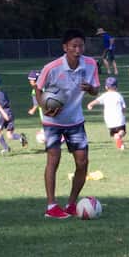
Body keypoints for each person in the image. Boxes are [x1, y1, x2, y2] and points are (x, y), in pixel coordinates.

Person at [36, 29, 100, 219]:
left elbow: (95, 90)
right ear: (65, 47)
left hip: (75, 120)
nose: (77, 49)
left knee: (83, 162)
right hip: (52, 122)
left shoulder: (90, 64)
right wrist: (44, 107)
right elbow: (38, 90)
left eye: (80, 45)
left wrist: (90, 89)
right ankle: (51, 206)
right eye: (73, 46)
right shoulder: (52, 67)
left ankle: (72, 204)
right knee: (53, 160)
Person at [0, 74, 27, 153]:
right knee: (9, 135)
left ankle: (6, 148)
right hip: (9, 112)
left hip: (1, 115)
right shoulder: (2, 93)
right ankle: (20, 137)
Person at [86, 76, 128, 149]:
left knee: (114, 133)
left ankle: (120, 144)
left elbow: (97, 101)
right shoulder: (119, 96)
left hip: (109, 120)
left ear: (106, 87)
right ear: (116, 87)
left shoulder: (105, 96)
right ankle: (119, 137)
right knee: (122, 131)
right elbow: (124, 107)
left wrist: (90, 104)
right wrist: (124, 113)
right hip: (119, 118)